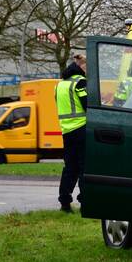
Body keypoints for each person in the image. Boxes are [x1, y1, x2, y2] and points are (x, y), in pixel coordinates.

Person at [55, 53, 88, 212]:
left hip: (66, 130)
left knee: (69, 168)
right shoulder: (80, 82)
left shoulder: (60, 85)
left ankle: (64, 202)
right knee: (83, 167)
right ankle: (85, 202)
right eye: (87, 66)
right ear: (81, 66)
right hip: (81, 128)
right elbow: (87, 104)